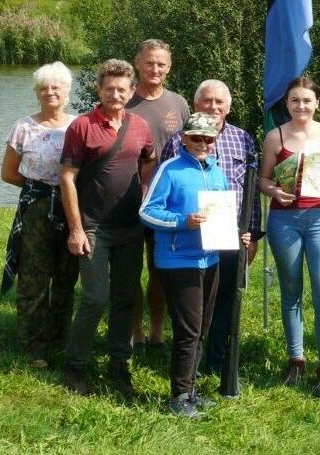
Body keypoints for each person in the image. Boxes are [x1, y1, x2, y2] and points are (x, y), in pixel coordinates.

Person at [140, 112, 252, 418]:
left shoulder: (216, 172)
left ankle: (190, 390)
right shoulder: (170, 170)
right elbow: (147, 212)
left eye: (208, 138)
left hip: (211, 258)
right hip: (179, 261)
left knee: (202, 328)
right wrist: (181, 222)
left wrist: (236, 235)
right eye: (196, 138)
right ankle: (178, 396)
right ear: (184, 139)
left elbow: (222, 216)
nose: (203, 144)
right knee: (188, 330)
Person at [59, 59, 155, 399]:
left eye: (122, 89)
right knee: (95, 297)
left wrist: (143, 195)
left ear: (131, 92)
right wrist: (76, 229)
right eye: (109, 88)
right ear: (99, 90)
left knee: (125, 299)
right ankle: (76, 367)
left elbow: (148, 161)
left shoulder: (140, 125)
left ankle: (119, 367)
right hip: (94, 227)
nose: (116, 94)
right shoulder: (82, 127)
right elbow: (67, 178)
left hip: (131, 227)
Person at [161, 80, 263, 375]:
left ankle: (217, 362)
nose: (213, 106)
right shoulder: (178, 141)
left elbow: (251, 191)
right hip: (191, 237)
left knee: (226, 298)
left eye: (220, 102)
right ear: (196, 105)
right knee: (196, 302)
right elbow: (168, 189)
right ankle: (191, 362)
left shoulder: (244, 140)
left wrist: (253, 234)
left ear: (229, 108)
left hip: (231, 235)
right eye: (207, 101)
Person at [258, 76, 320, 398]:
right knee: (291, 292)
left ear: (317, 103)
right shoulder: (275, 136)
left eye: (307, 100)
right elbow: (263, 180)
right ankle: (296, 360)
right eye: (295, 100)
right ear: (287, 103)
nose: (301, 106)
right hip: (284, 219)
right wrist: (273, 190)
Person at [0, 61, 79, 369]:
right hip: (35, 208)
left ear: (67, 91)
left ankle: (61, 339)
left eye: (56, 87)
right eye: (44, 88)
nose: (50, 92)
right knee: (33, 276)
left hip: (71, 206)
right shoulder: (23, 127)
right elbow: (8, 173)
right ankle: (34, 345)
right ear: (37, 93)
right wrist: (41, 189)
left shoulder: (79, 125)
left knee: (66, 275)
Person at [126, 39, 191, 351]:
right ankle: (135, 332)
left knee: (159, 268)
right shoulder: (123, 100)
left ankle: (156, 332)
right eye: (149, 63)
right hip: (125, 200)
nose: (155, 69)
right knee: (129, 269)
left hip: (166, 203)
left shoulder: (178, 104)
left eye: (161, 64)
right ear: (138, 63)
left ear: (169, 67)